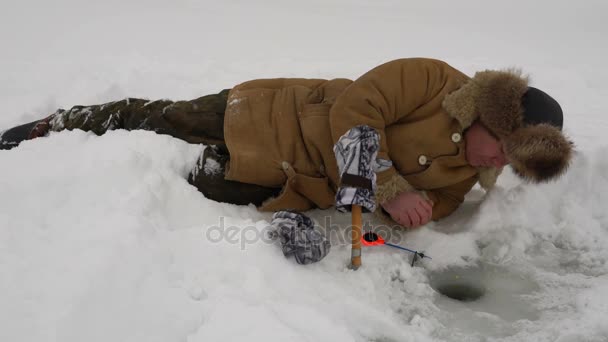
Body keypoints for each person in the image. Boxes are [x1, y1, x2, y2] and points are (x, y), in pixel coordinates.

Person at [0, 58, 573, 229]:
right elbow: (357, 108)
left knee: (180, 186)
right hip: (274, 117)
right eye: (498, 147)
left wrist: (416, 212)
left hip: (291, 180)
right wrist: (391, 186)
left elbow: (437, 205)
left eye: (507, 163)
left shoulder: (467, 176)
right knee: (158, 121)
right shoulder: (432, 81)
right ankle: (60, 127)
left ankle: (87, 182)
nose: (494, 163)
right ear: (488, 117)